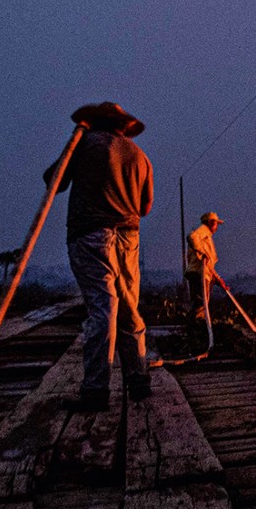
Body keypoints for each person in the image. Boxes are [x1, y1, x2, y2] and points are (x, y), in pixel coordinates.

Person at [45, 102, 153, 410]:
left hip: (92, 235)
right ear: (123, 126)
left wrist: (76, 138)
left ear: (96, 123)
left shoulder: (87, 144)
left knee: (103, 309)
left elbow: (55, 181)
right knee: (129, 307)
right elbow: (145, 208)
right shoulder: (140, 157)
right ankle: (138, 379)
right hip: (129, 237)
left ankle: (95, 390)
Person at [186, 211, 226, 342]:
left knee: (201, 305)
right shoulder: (202, 231)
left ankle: (197, 335)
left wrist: (218, 279)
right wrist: (202, 252)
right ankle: (197, 337)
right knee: (200, 305)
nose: (217, 227)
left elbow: (209, 265)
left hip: (204, 274)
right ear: (211, 223)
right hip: (199, 274)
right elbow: (191, 237)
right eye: (216, 224)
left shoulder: (206, 236)